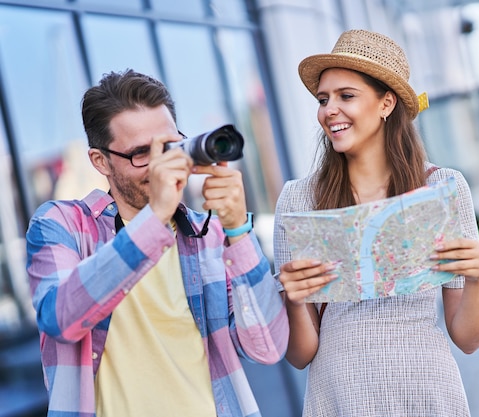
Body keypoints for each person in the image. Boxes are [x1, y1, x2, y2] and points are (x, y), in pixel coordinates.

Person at [26, 69, 288, 417]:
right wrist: (157, 214)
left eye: (168, 146)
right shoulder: (61, 224)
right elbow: (60, 319)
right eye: (140, 153)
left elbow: (267, 348)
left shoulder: (206, 234)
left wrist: (238, 229)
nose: (161, 164)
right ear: (100, 161)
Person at [273, 29, 479, 416]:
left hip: (427, 393)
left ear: (386, 103)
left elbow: (469, 338)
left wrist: (476, 278)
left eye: (346, 96)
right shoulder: (299, 199)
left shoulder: (441, 188)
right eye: (323, 99)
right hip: (340, 396)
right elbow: (299, 355)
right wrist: (292, 300)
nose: (329, 110)